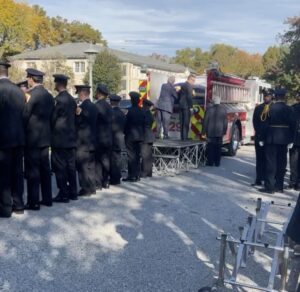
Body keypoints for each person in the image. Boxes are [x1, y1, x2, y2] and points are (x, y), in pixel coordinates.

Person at [23, 68, 55, 210]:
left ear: (31, 79)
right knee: (45, 169)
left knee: (33, 171)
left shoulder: (30, 95)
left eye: (28, 78)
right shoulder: (49, 96)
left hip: (33, 138)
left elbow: (25, 114)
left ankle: (34, 201)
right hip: (45, 136)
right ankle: (47, 199)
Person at [259, 88, 296, 194]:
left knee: (270, 162)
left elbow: (265, 124)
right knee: (281, 163)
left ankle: (269, 187)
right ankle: (279, 186)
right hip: (284, 139)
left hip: (271, 138)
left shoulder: (270, 108)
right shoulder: (290, 109)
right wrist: (291, 139)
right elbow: (293, 125)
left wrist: (261, 138)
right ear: (284, 97)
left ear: (275, 96)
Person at [0, 61, 25, 217]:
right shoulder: (18, 90)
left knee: (3, 174)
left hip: (3, 138)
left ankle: (5, 207)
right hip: (18, 137)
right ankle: (19, 205)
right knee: (17, 172)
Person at [51, 74, 77, 203]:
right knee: (71, 167)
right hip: (71, 139)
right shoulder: (72, 99)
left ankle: (63, 193)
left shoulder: (58, 100)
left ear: (58, 84)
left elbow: (53, 118)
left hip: (59, 139)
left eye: (55, 83)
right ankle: (73, 191)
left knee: (60, 167)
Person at [75, 85, 98, 196]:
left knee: (83, 166)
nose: (78, 95)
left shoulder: (82, 107)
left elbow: (78, 123)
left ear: (82, 94)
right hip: (93, 141)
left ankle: (85, 188)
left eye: (78, 93)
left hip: (83, 142)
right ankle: (92, 187)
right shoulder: (94, 107)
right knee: (91, 166)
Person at [252, 88, 273, 186]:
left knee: (269, 160)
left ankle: (268, 180)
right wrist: (259, 134)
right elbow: (255, 122)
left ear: (271, 96)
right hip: (260, 137)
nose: (266, 98)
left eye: (268, 96)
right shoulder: (259, 108)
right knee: (259, 159)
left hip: (270, 138)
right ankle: (258, 179)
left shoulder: (274, 108)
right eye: (265, 96)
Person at [123, 91, 145, 182]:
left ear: (132, 100)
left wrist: (125, 132)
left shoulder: (129, 111)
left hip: (130, 137)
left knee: (131, 156)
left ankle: (131, 175)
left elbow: (125, 123)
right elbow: (144, 123)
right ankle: (137, 175)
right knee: (137, 156)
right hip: (139, 136)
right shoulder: (142, 111)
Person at [94, 84, 113, 190]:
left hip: (99, 137)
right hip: (108, 137)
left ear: (98, 93)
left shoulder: (97, 106)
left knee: (98, 162)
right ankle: (106, 181)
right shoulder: (109, 107)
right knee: (106, 160)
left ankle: (98, 183)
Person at [202, 95, 227, 167]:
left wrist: (203, 132)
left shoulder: (209, 110)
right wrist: (224, 131)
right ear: (219, 102)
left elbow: (205, 121)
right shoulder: (223, 110)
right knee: (218, 148)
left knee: (210, 147)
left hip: (210, 132)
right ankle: (217, 162)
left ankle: (210, 162)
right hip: (219, 132)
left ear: (213, 102)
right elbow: (225, 122)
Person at [109, 94, 126, 185]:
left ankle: (113, 178)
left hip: (112, 138)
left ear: (111, 102)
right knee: (117, 158)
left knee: (112, 159)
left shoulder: (110, 113)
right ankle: (117, 177)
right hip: (120, 138)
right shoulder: (122, 113)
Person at [288, 91, 300, 190]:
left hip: (295, 138)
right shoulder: (293, 108)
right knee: (294, 161)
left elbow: (290, 124)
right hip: (295, 138)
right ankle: (297, 183)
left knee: (293, 162)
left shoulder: (293, 108)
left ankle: (293, 181)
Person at [178, 74, 196, 140]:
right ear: (190, 79)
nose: (194, 82)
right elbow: (189, 97)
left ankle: (182, 137)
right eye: (193, 80)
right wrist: (191, 107)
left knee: (182, 122)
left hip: (181, 105)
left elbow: (181, 95)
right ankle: (185, 138)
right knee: (186, 122)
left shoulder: (183, 85)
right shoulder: (189, 86)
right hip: (186, 106)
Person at [141, 99, 155, 177]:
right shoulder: (150, 114)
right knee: (149, 155)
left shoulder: (145, 114)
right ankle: (149, 172)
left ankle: (144, 172)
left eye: (143, 105)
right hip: (150, 136)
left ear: (145, 106)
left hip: (145, 136)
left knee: (144, 155)